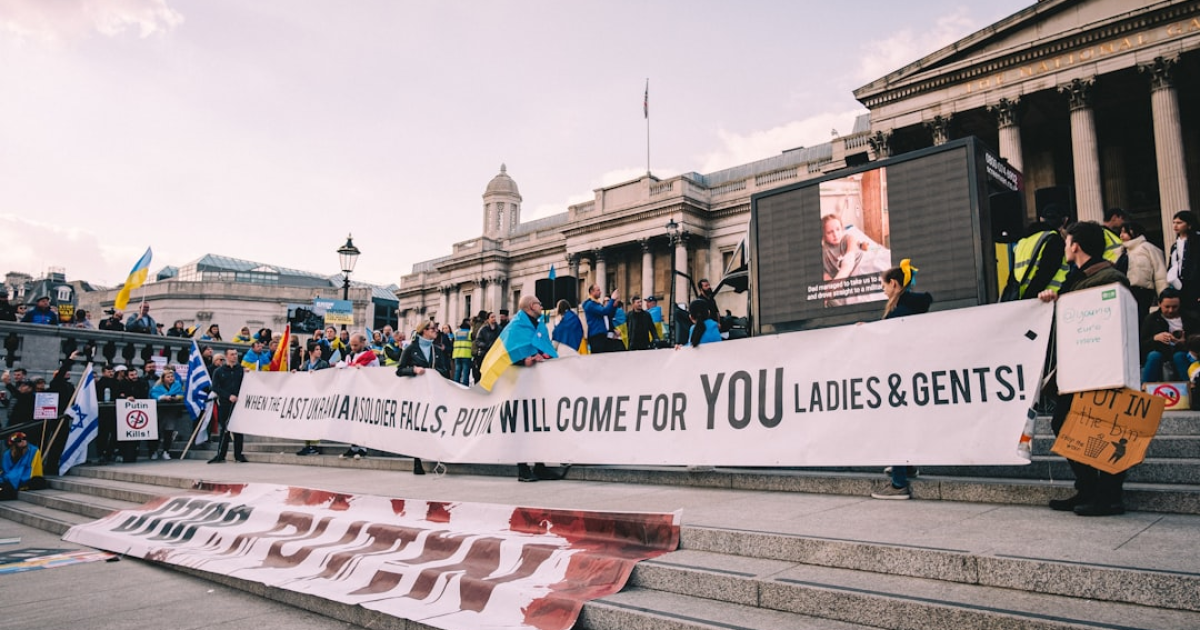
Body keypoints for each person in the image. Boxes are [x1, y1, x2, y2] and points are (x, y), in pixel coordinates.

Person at [1039, 221, 1132, 516]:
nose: (1065, 247)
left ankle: (1109, 496)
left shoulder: (1108, 277)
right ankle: (1089, 489)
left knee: (1105, 428)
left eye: (1067, 242)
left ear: (1075, 245)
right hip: (1079, 368)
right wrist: (1053, 300)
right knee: (1063, 423)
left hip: (1101, 368)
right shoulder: (1077, 278)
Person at [871, 260, 933, 500]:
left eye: (884, 286)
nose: (884, 291)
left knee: (895, 424)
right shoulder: (911, 308)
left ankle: (898, 483)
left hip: (898, 375)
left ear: (894, 284)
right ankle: (906, 466)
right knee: (904, 421)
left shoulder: (899, 312)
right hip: (910, 373)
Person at [503, 295, 561, 482]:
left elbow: (544, 347)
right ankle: (523, 469)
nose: (541, 305)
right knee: (522, 426)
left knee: (540, 425)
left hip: (537, 384)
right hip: (520, 384)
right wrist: (524, 360)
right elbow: (505, 353)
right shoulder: (515, 326)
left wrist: (544, 355)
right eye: (538, 303)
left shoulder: (539, 325)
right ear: (530, 306)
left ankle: (540, 466)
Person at [395, 321, 454, 475]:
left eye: (436, 329)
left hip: (434, 393)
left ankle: (437, 456)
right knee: (418, 426)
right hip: (417, 393)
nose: (436, 331)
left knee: (434, 424)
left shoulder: (436, 350)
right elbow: (400, 370)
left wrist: (435, 373)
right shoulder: (411, 349)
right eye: (433, 329)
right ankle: (417, 460)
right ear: (423, 331)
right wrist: (413, 370)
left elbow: (445, 370)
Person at [1010, 204, 1069, 299]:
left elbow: (1012, 280)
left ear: (1041, 219)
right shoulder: (1054, 240)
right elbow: (1044, 275)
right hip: (1046, 299)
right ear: (1065, 220)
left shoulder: (1022, 242)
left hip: (1023, 299)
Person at [1140, 288, 1199, 383]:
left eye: (1175, 307)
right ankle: (1146, 386)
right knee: (1154, 356)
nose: (1171, 310)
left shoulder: (1191, 318)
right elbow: (1141, 345)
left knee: (1179, 356)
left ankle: (1191, 385)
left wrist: (1185, 342)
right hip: (1161, 352)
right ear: (1159, 304)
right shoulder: (1151, 319)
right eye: (1167, 307)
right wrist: (1155, 338)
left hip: (1184, 353)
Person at [1120, 221, 1168, 322]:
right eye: (1121, 232)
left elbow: (1160, 274)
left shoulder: (1149, 248)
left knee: (1142, 319)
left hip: (1143, 291)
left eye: (1125, 232)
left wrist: (1163, 296)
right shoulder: (1120, 252)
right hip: (1124, 291)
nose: (1121, 235)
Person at [339, 332, 377, 459]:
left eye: (355, 345)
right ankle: (353, 447)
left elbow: (376, 374)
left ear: (362, 342)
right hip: (352, 391)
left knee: (362, 420)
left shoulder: (371, 357)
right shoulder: (350, 356)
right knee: (352, 421)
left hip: (365, 392)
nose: (353, 348)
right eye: (351, 345)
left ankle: (363, 447)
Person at [209, 348, 247, 464]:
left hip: (239, 403)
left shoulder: (241, 370)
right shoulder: (219, 371)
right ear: (226, 356)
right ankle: (221, 454)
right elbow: (215, 387)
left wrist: (249, 374)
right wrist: (228, 395)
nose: (234, 356)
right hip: (225, 403)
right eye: (232, 354)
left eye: (235, 354)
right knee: (225, 429)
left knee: (238, 430)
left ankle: (238, 455)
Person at [295, 342, 329, 456]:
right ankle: (307, 445)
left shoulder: (323, 364)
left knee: (315, 420)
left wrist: (317, 374)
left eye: (319, 349)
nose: (319, 351)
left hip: (318, 395)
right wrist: (296, 373)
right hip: (307, 395)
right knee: (306, 421)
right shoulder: (305, 364)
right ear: (310, 352)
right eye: (317, 349)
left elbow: (327, 377)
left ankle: (314, 445)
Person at [149, 369, 186, 460]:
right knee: (157, 431)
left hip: (171, 411)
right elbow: (153, 394)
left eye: (172, 376)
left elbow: (182, 394)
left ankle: (166, 451)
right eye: (168, 377)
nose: (170, 378)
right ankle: (154, 451)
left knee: (169, 431)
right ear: (163, 378)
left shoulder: (177, 385)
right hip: (159, 411)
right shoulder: (157, 386)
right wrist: (163, 397)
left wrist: (176, 397)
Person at [1167, 210, 1200, 310]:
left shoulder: (1196, 241)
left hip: (1194, 285)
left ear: (1189, 225)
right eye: (1174, 222)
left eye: (1179, 223)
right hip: (1179, 286)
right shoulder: (1175, 245)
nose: (1175, 226)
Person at [1, 432, 45, 500]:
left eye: (24, 438)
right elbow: (6, 470)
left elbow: (32, 468)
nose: (23, 441)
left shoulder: (34, 451)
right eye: (19, 440)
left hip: (26, 477)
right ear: (14, 443)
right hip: (11, 477)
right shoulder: (7, 454)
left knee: (38, 482)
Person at [582, 284, 618, 354]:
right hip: (596, 335)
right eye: (598, 290)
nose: (600, 292)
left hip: (602, 334)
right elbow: (604, 311)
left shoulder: (596, 303)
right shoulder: (590, 304)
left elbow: (608, 315)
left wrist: (614, 306)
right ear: (592, 292)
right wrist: (612, 299)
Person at [473, 312, 500, 382]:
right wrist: (486, 345)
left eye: (494, 317)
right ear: (488, 319)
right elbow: (478, 341)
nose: (494, 319)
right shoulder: (483, 329)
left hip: (495, 353)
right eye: (492, 317)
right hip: (484, 353)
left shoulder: (499, 328)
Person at [452, 318, 473, 386]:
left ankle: (456, 386)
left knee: (457, 371)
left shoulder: (456, 333)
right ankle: (464, 387)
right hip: (466, 355)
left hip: (457, 354)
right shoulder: (470, 333)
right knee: (465, 373)